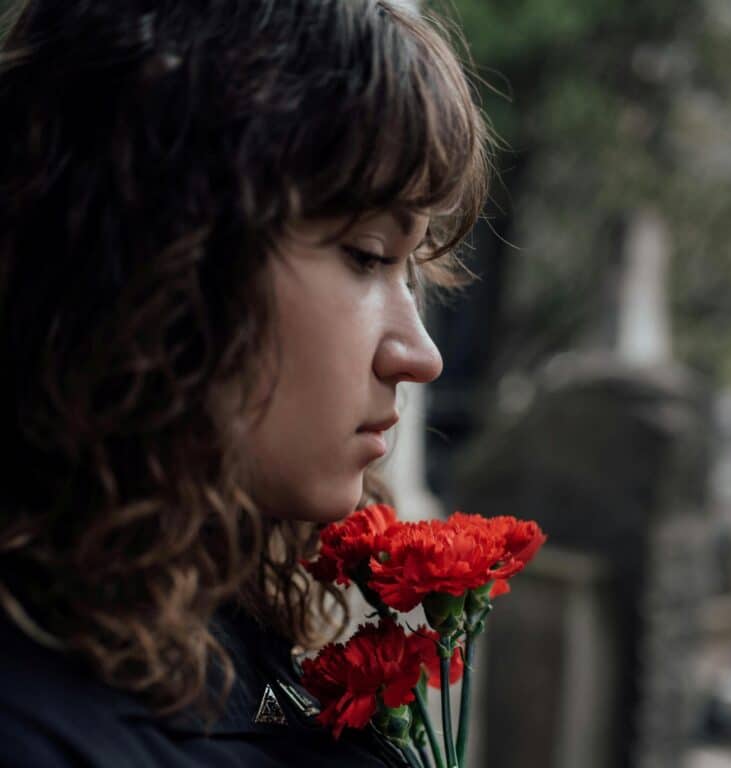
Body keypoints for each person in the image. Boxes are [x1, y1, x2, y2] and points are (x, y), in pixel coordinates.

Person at [0, 0, 489, 765]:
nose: (420, 355)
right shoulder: (38, 730)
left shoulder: (226, 641)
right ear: (167, 259)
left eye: (412, 272)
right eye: (366, 254)